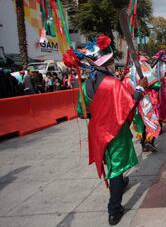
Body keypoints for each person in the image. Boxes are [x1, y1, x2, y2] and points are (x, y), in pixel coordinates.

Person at [64, 34, 146, 226]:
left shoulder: (85, 85)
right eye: (109, 60)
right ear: (105, 61)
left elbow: (82, 113)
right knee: (116, 167)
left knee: (110, 162)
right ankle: (114, 209)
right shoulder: (111, 83)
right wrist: (140, 89)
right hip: (113, 131)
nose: (111, 62)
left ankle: (120, 183)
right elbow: (129, 104)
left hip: (97, 132)